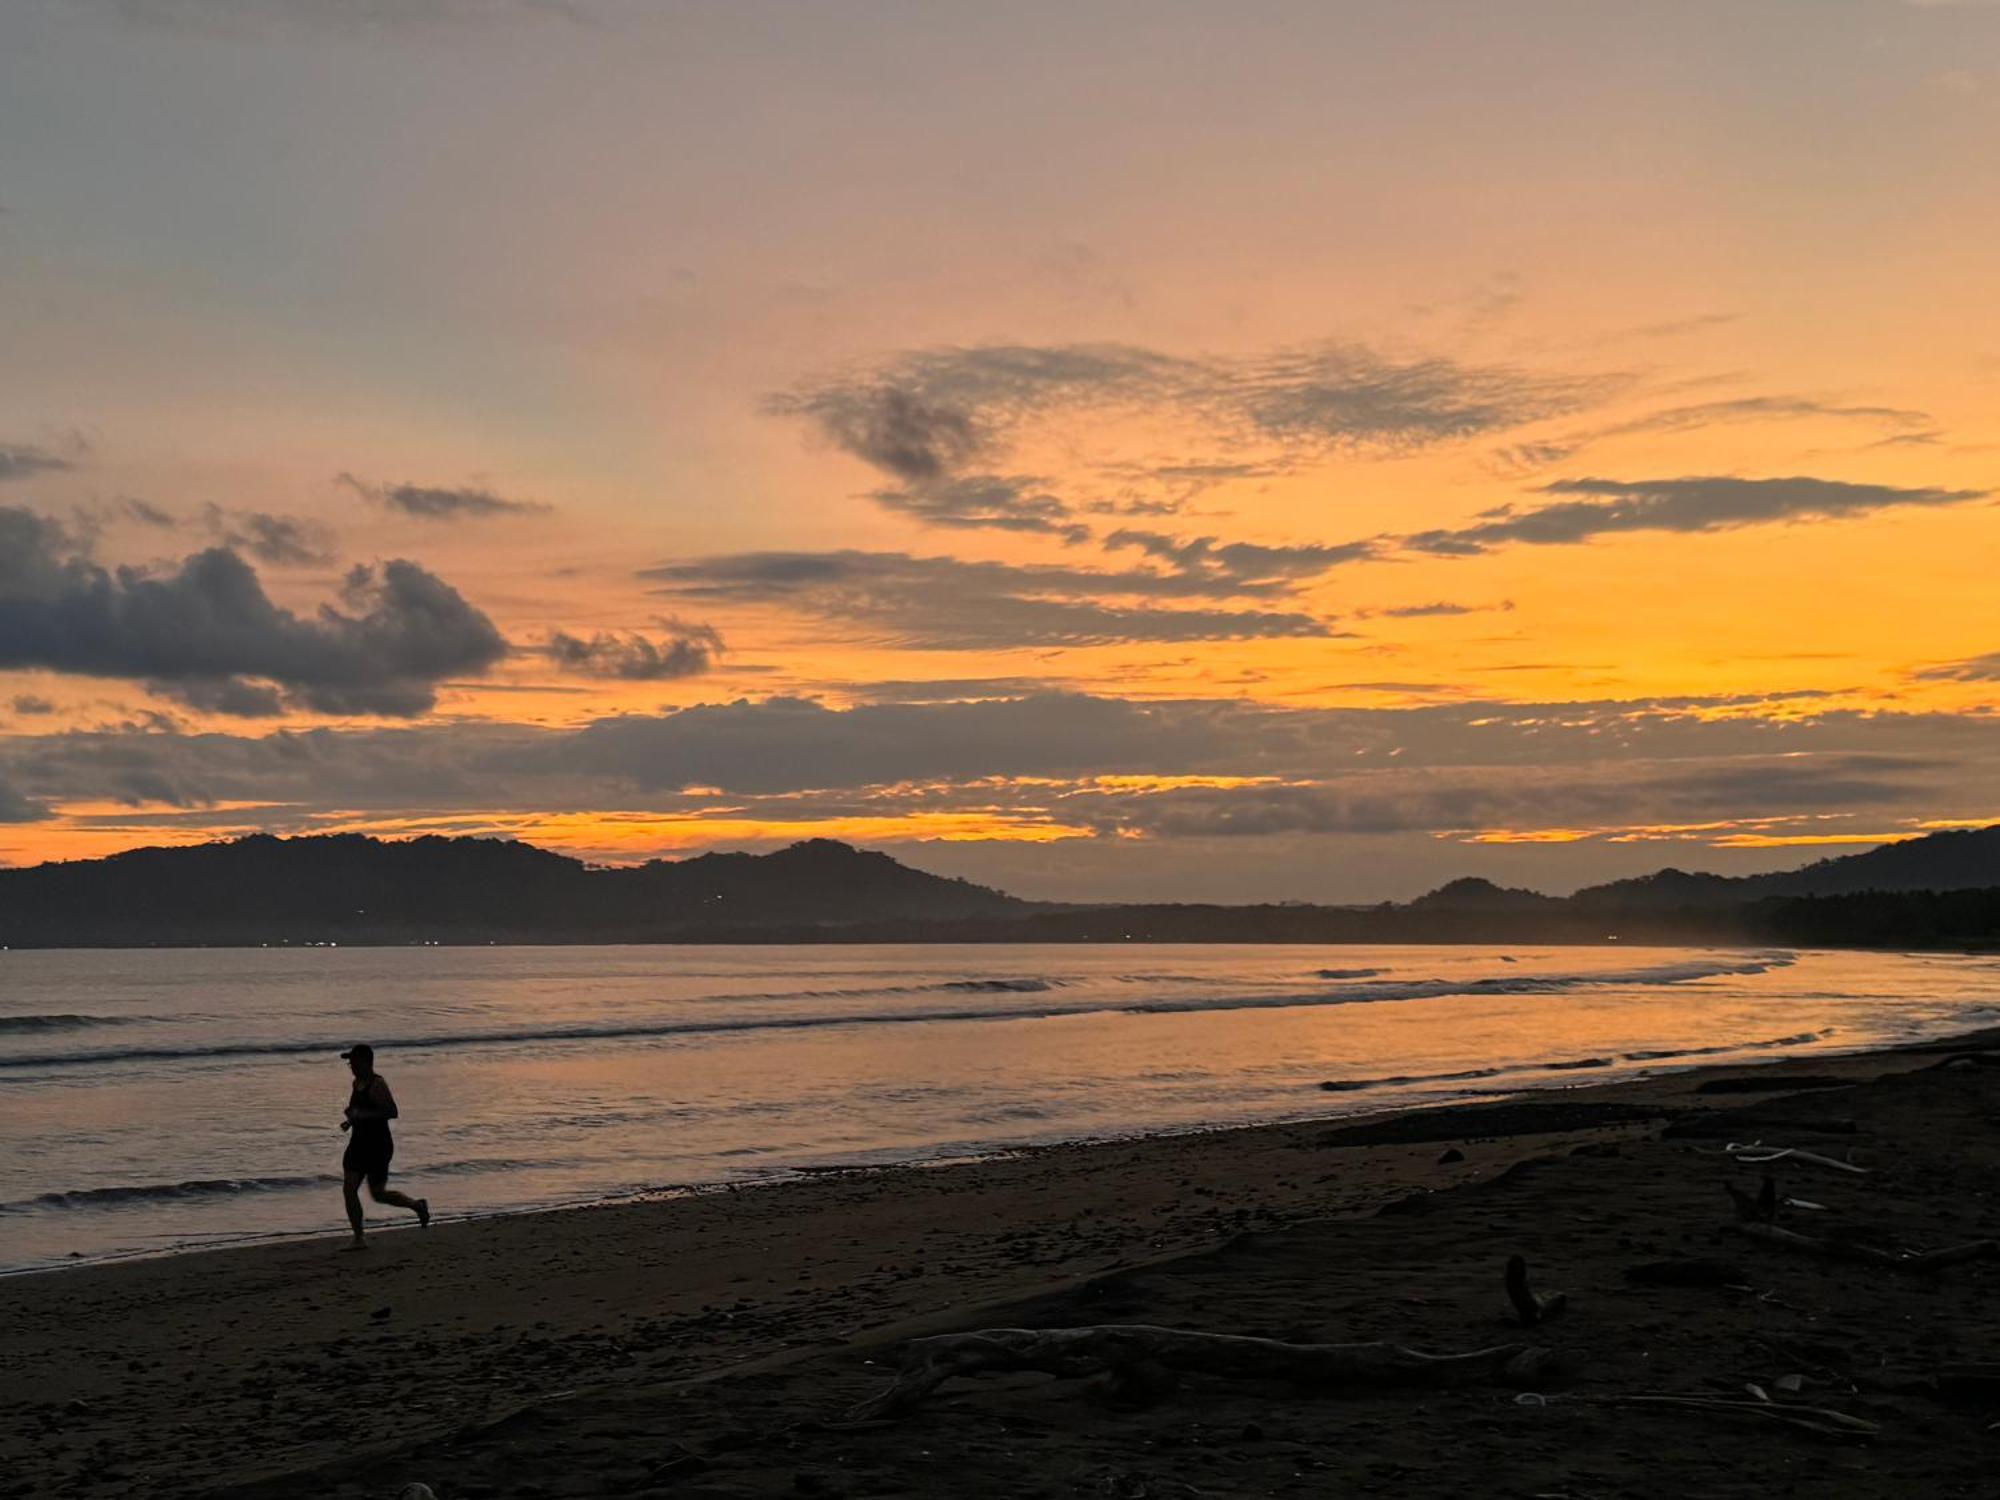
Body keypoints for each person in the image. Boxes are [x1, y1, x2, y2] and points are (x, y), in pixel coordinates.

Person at [338, 1044, 430, 1250]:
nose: (350, 1065)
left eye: (353, 1061)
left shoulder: (377, 1084)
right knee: (349, 1189)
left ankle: (417, 1205)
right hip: (357, 1144)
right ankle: (359, 1238)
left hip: (378, 1146)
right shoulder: (356, 1084)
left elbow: (391, 1111)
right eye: (349, 1062)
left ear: (365, 1062)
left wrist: (362, 1115)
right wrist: (351, 1119)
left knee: (378, 1195)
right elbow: (361, 1110)